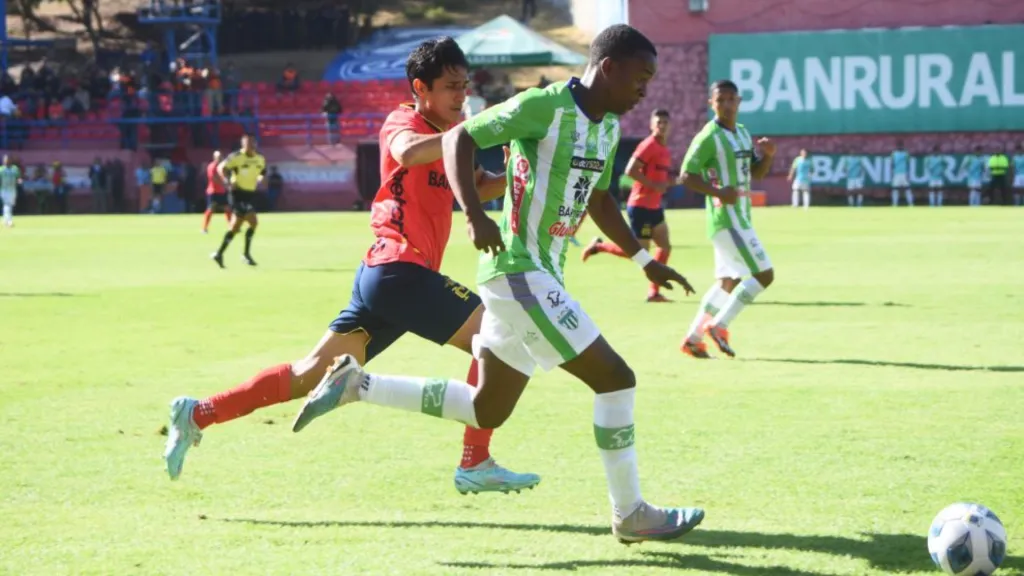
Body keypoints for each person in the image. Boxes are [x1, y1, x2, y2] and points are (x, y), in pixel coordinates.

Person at [292, 25, 706, 544]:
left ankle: (357, 384)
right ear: (608, 67)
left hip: (537, 275)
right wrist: (474, 214)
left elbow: (600, 201)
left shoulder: (603, 129)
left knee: (488, 406)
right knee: (616, 379)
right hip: (518, 272)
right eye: (640, 77)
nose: (645, 89)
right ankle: (631, 513)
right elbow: (463, 136)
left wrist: (644, 258)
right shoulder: (545, 105)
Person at [165, 37, 539, 495]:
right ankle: (474, 460)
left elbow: (480, 189)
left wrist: (520, 173)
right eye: (451, 87)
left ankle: (198, 412)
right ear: (420, 88)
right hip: (399, 270)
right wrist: (474, 130)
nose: (462, 96)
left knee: (308, 376)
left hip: (385, 278)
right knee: (498, 339)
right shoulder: (405, 120)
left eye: (465, 86)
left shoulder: (452, 135)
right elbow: (406, 152)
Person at [677, 80, 777, 359]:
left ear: (739, 102)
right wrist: (718, 191)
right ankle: (720, 325)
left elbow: (755, 174)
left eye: (732, 99)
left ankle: (694, 338)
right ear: (712, 104)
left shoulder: (743, 134)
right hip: (726, 217)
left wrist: (767, 156)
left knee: (728, 281)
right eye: (721, 100)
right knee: (764, 274)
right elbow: (686, 175)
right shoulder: (708, 136)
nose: (727, 105)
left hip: (740, 216)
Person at [581, 109, 674, 302]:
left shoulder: (664, 149)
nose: (662, 126)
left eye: (665, 123)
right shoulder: (648, 146)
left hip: (654, 207)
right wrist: (654, 185)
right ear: (651, 125)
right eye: (658, 123)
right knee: (638, 252)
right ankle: (600, 246)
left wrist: (668, 183)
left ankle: (654, 292)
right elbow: (630, 170)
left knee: (664, 247)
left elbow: (659, 177)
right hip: (641, 206)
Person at [212, 134, 265, 267]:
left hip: (250, 194)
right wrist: (227, 181)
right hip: (238, 193)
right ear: (243, 144)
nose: (250, 145)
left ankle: (219, 254)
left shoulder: (260, 159)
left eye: (252, 142)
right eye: (247, 143)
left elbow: (263, 171)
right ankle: (245, 254)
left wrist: (261, 178)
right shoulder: (236, 157)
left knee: (236, 227)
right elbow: (221, 168)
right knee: (253, 221)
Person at [201, 151, 232, 233]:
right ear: (214, 157)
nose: (221, 158)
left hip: (222, 191)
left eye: (221, 156)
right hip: (213, 192)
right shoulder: (212, 166)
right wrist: (225, 183)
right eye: (219, 157)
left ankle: (231, 226)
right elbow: (213, 179)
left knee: (227, 208)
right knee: (211, 209)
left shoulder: (223, 166)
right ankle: (204, 228)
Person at [0, 155, 22, 227]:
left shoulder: (15, 169)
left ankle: (5, 220)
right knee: (7, 204)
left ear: (11, 161)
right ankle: (9, 221)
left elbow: (18, 177)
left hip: (12, 190)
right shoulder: (1, 169)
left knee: (10, 205)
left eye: (8, 159)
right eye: (5, 160)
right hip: (4, 190)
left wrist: (19, 180)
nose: (6, 161)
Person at [891, 142, 912, 206]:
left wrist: (908, 174)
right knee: (895, 189)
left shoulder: (906, 153)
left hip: (904, 173)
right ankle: (894, 204)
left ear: (903, 146)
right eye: (898, 146)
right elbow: (892, 164)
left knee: (907, 189)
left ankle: (910, 204)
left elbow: (908, 163)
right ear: (897, 146)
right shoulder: (894, 154)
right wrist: (892, 173)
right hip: (896, 174)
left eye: (901, 146)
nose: (900, 147)